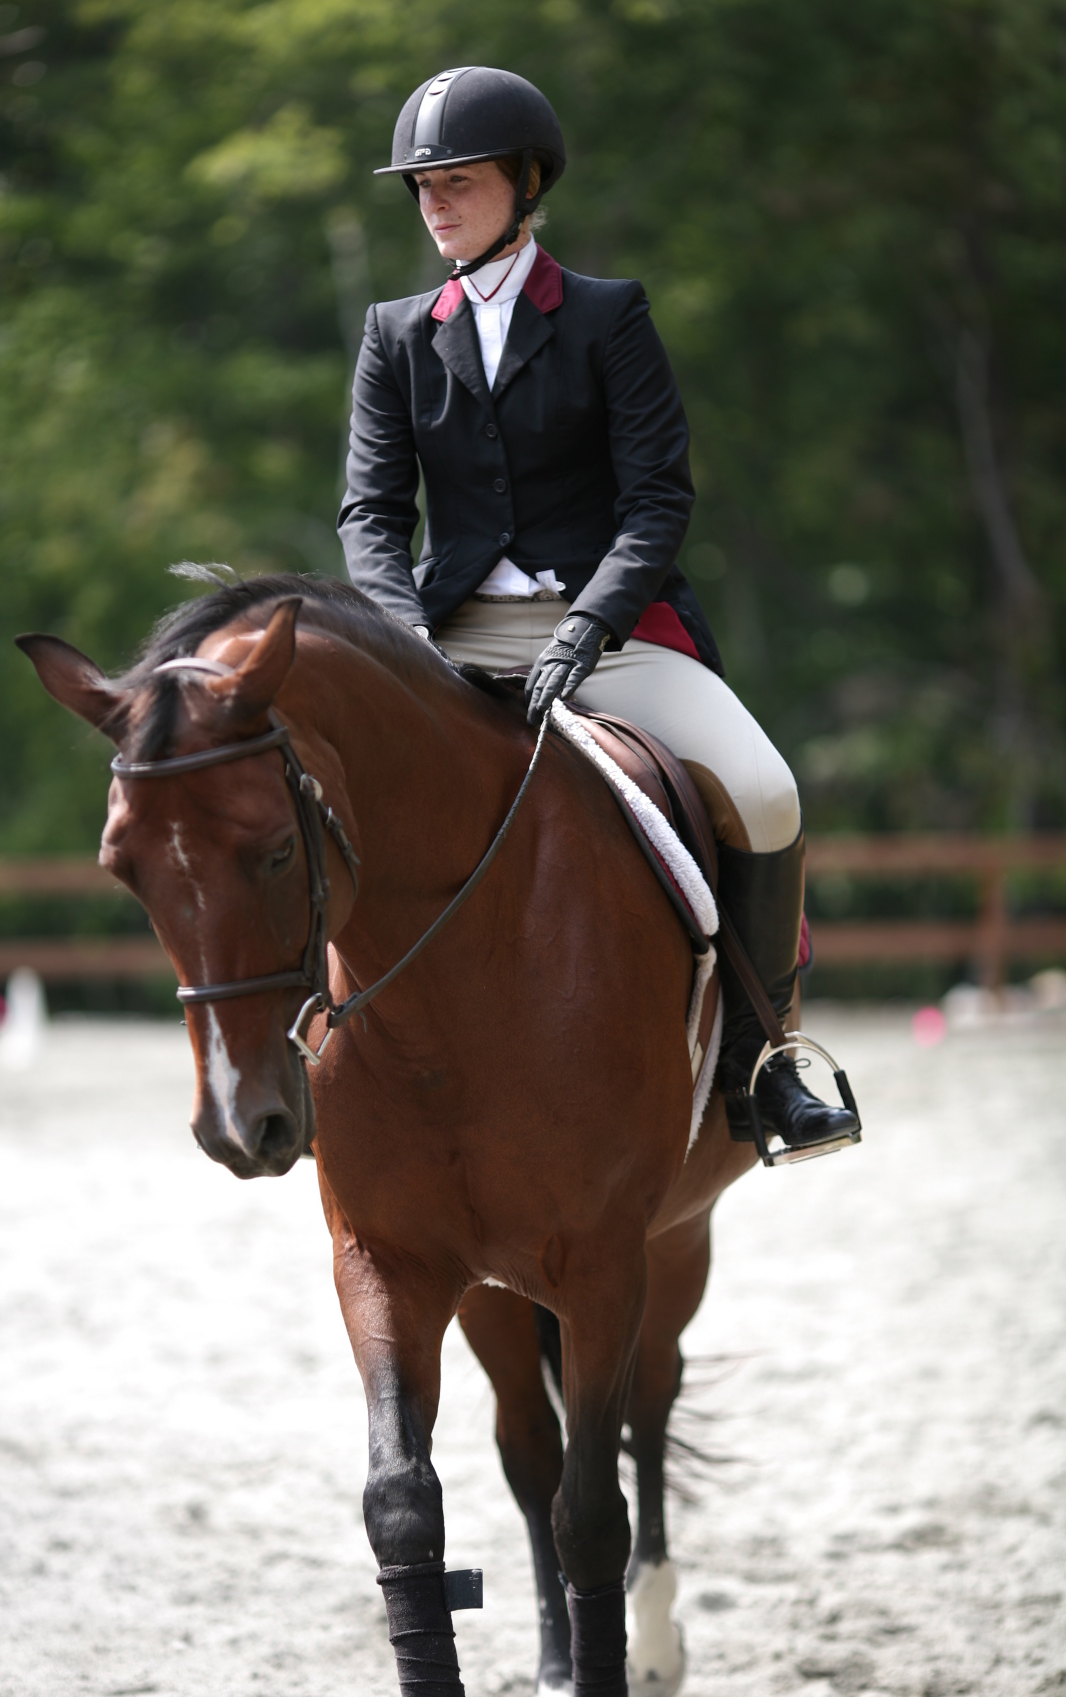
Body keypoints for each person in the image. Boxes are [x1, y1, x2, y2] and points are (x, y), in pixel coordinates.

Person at [338, 65, 857, 1153]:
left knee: (765, 793)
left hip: (604, 632)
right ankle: (317, 1048)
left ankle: (764, 1064)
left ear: (528, 186)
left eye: (460, 182)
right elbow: (372, 514)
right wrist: (404, 641)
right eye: (422, 186)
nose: (435, 203)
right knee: (304, 787)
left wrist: (588, 626)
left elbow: (658, 497)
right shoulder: (393, 336)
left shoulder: (607, 318)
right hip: (449, 638)